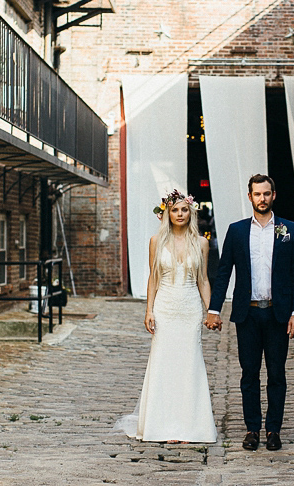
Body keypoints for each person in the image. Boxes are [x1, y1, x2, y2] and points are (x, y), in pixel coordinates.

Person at [204, 174, 294, 452]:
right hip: (247, 315)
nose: (262, 198)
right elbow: (223, 272)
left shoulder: (290, 230)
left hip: (278, 314)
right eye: (257, 194)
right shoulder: (237, 231)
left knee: (276, 374)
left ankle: (274, 429)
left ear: (274, 195)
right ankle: (252, 429)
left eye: (266, 194)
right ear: (249, 197)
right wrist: (214, 309)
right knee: (249, 374)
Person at [121, 189, 217, 444]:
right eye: (174, 210)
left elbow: (203, 279)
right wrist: (149, 309)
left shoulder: (202, 243)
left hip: (189, 308)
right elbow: (153, 276)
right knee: (164, 364)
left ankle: (190, 428)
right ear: (167, 213)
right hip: (165, 307)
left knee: (189, 366)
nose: (180, 214)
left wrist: (211, 311)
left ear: (191, 212)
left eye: (184, 209)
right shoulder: (156, 241)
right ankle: (164, 426)